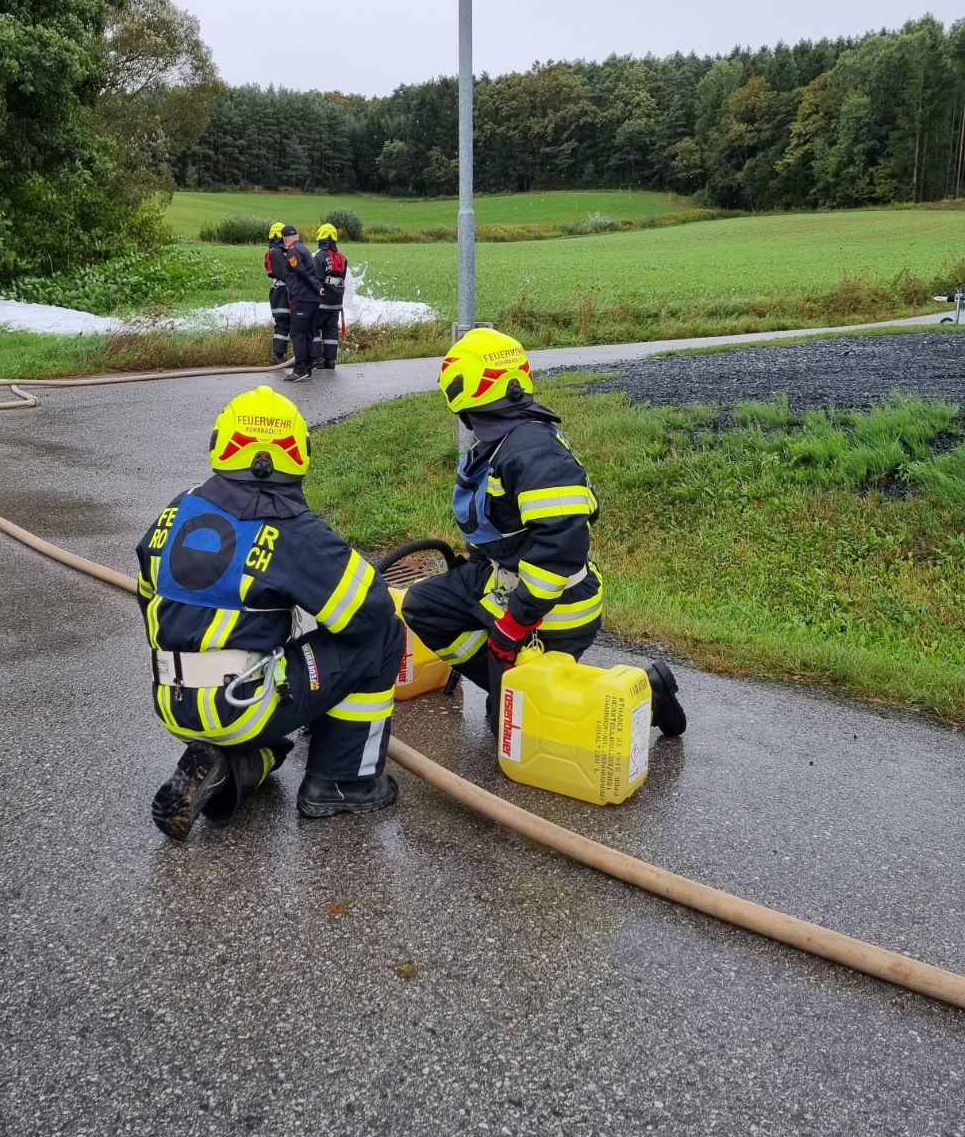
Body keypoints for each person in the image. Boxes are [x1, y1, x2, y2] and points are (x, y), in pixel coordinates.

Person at [136, 385, 404, 840]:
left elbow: (148, 597)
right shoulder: (290, 530)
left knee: (273, 744)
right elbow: (369, 612)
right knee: (383, 639)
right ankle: (342, 781)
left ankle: (231, 766)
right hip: (241, 703)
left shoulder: (176, 508)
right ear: (297, 453)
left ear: (222, 446)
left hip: (171, 703)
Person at [402, 328, 686, 738]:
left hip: (554, 607)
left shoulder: (535, 452)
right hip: (509, 585)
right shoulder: (503, 442)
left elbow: (560, 551)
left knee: (520, 734)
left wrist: (514, 624)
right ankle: (515, 686)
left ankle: (646, 696)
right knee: (425, 606)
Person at [279, 224, 323, 383]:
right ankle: (307, 369)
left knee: (297, 334)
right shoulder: (304, 249)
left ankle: (299, 370)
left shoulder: (292, 251)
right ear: (296, 235)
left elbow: (302, 272)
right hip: (312, 301)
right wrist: (318, 289)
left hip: (301, 299)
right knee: (308, 334)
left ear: (285, 239)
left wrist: (318, 287)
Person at [313, 223, 348, 369]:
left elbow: (315, 278)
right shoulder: (342, 257)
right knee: (331, 329)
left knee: (313, 327)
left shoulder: (319, 256)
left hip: (323, 300)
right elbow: (343, 277)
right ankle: (330, 360)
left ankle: (317, 359)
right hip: (337, 301)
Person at [264, 221, 291, 364]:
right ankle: (278, 356)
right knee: (283, 323)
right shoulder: (277, 253)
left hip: (278, 292)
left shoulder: (275, 251)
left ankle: (280, 355)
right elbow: (285, 274)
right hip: (282, 292)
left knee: (285, 323)